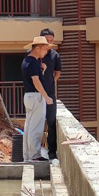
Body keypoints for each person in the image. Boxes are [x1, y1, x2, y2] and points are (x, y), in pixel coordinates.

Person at [21, 36, 54, 162]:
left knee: (29, 127)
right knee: (36, 127)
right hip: (36, 97)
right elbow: (36, 81)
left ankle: (28, 156)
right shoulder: (33, 62)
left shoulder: (27, 61)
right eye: (45, 49)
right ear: (38, 48)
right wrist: (46, 97)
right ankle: (34, 156)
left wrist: (42, 71)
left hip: (29, 96)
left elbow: (34, 79)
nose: (46, 52)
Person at [38, 29, 62, 160]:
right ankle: (36, 151)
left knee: (51, 121)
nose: (49, 43)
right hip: (36, 94)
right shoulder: (32, 54)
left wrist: (52, 81)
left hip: (50, 93)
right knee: (37, 122)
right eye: (47, 40)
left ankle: (52, 152)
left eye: (51, 40)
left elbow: (58, 72)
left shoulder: (55, 55)